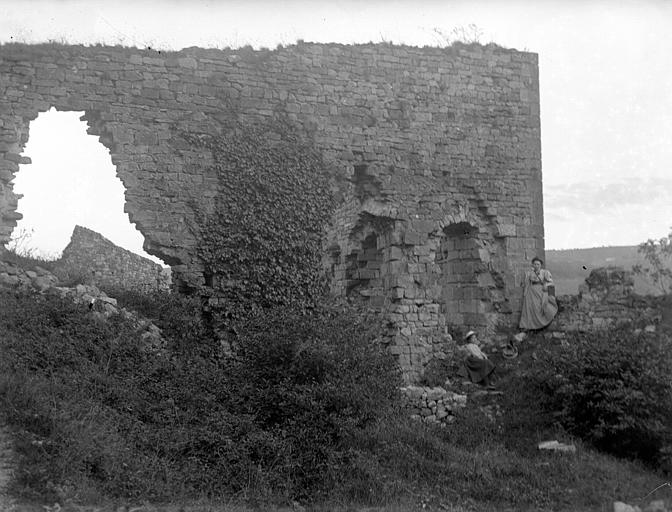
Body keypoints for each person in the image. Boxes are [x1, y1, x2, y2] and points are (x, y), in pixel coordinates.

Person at [519, 256, 558, 330]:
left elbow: (551, 282)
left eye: (538, 264)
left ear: (540, 265)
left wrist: (546, 285)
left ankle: (540, 325)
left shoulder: (544, 272)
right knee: (530, 309)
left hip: (540, 291)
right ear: (532, 265)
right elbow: (527, 283)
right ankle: (529, 326)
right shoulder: (529, 273)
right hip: (531, 292)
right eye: (535, 264)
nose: (536, 266)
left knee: (539, 307)